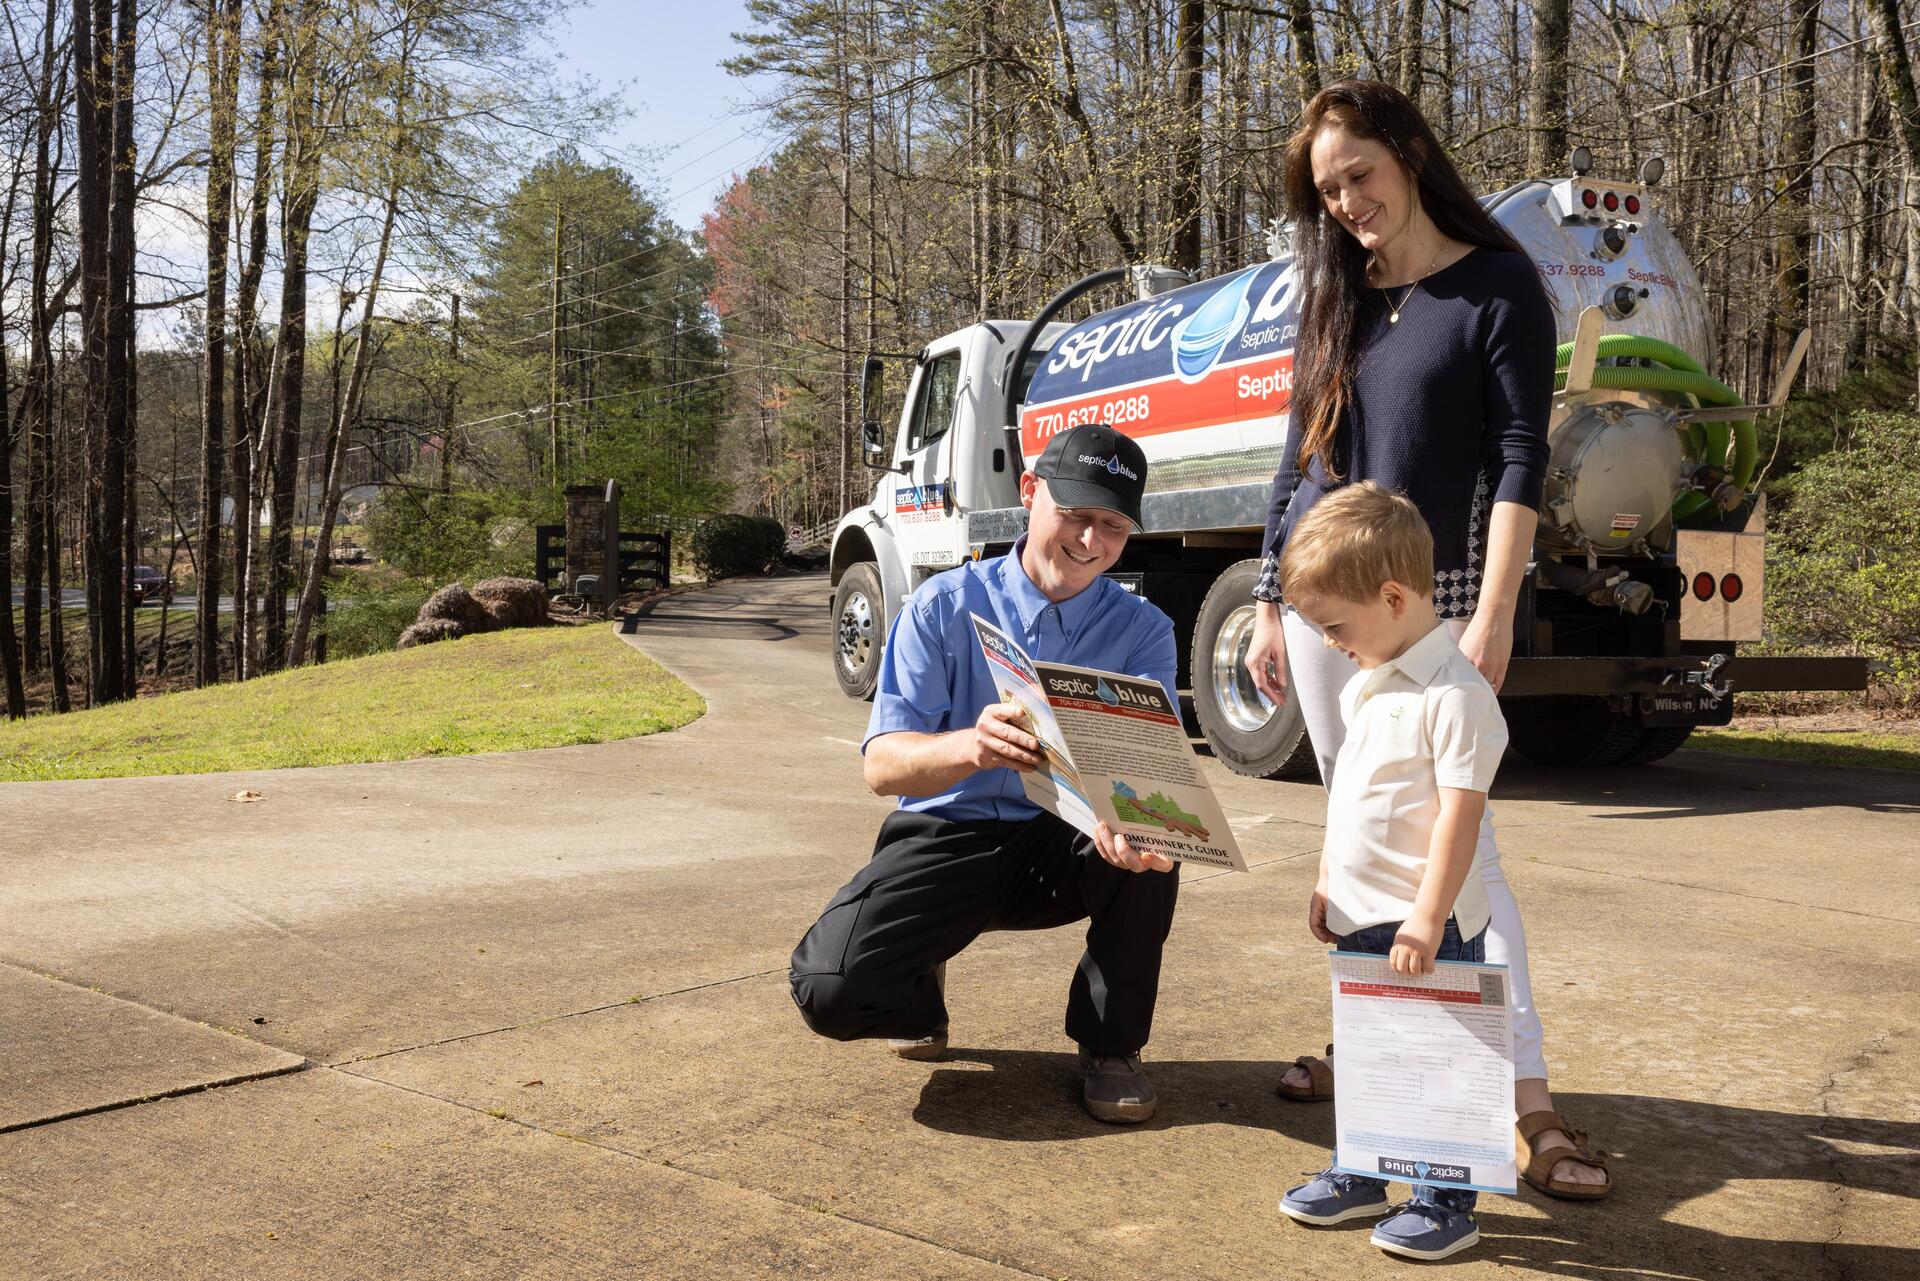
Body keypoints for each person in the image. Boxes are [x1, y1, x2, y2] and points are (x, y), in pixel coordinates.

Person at [1244, 79, 1612, 1199]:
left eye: (1360, 174)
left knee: (1467, 860)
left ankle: (1529, 1105)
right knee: (1363, 843)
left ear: (1408, 152)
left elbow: (1517, 457)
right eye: (1328, 189)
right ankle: (1375, 1057)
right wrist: (1271, 594)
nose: (1348, 202)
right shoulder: (1340, 294)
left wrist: (1493, 609)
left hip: (1436, 603)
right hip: (1328, 609)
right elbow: (1299, 454)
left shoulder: (1499, 285)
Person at [789, 423, 1181, 1124]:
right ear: (1030, 493)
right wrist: (973, 744)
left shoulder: (1144, 629)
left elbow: (1149, 769)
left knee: (1155, 854)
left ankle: (1111, 1044)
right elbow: (882, 766)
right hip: (947, 829)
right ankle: (918, 979)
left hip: (1066, 838)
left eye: (1113, 526)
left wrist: (1141, 825)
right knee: (828, 986)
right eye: (1075, 515)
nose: (1090, 542)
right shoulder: (940, 606)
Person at [1272, 483, 1501, 1260]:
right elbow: (1354, 799)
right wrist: (1327, 879)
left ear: (1394, 596)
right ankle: (1364, 1168)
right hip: (1363, 913)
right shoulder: (1374, 681)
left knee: (1438, 1054)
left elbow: (1458, 819)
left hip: (1424, 924)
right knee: (1371, 1049)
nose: (1331, 642)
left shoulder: (1456, 696)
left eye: (1335, 625)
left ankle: (1445, 1199)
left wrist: (1429, 917)